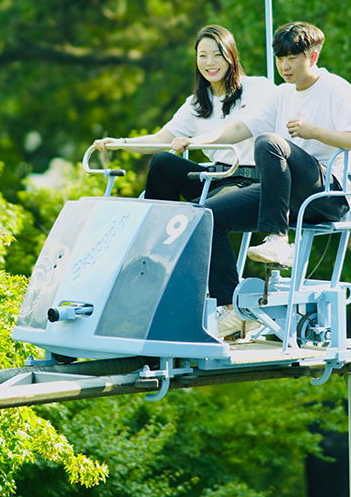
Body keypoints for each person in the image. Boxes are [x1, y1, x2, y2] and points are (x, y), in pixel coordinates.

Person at [172, 21, 351, 337]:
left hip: (328, 194)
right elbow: (239, 128)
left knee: (269, 143)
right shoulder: (282, 94)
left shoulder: (336, 89)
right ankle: (234, 310)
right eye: (280, 58)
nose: (284, 66)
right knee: (208, 215)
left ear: (313, 56)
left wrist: (315, 133)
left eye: (292, 58)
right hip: (287, 196)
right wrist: (196, 141)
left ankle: (278, 240)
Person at [92, 24, 276, 339]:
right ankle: (157, 262)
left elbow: (244, 129)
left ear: (231, 56)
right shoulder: (197, 103)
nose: (210, 63)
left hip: (251, 180)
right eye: (203, 56)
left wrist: (194, 141)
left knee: (204, 214)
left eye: (217, 55)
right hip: (216, 176)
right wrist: (119, 143)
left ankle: (230, 307)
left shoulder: (257, 88)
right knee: (163, 163)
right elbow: (161, 139)